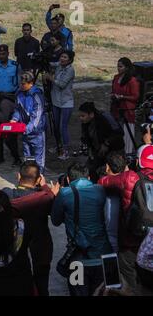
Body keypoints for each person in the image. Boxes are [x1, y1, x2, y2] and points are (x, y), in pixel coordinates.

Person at [51, 162, 113, 296]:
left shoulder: (64, 193)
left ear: (68, 179)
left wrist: (55, 198)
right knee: (110, 293)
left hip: (78, 260)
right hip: (107, 256)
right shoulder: (100, 189)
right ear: (89, 178)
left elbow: (55, 221)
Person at [98, 145, 153, 293]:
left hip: (131, 243)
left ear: (138, 162)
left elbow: (103, 182)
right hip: (150, 244)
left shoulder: (131, 178)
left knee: (129, 283)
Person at [3, 161, 55, 296]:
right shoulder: (45, 197)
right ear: (38, 179)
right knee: (42, 283)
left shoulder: (7, 196)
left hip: (16, 246)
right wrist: (45, 187)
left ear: (18, 176)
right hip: (41, 245)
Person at [78, 101, 125, 182]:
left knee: (112, 175)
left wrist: (106, 144)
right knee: (89, 172)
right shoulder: (86, 123)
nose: (81, 118)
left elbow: (119, 133)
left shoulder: (105, 118)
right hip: (99, 153)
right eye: (80, 116)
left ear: (91, 114)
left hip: (114, 151)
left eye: (83, 116)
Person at [11, 71, 47, 172]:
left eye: (23, 84)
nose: (21, 86)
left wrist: (28, 128)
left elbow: (37, 115)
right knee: (27, 156)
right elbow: (18, 109)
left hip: (37, 132)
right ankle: (29, 177)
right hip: (24, 130)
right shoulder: (19, 93)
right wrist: (14, 119)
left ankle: (40, 179)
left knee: (38, 158)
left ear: (31, 83)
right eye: (20, 83)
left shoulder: (36, 95)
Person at [44, 50, 75, 159]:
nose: (62, 59)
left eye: (65, 57)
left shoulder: (70, 70)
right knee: (56, 125)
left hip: (66, 102)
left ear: (70, 60)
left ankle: (66, 150)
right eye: (61, 56)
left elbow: (61, 84)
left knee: (63, 127)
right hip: (55, 101)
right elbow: (52, 64)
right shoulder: (59, 66)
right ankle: (58, 146)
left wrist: (50, 78)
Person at [111, 57, 140, 155]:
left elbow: (135, 97)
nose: (118, 68)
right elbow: (113, 90)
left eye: (121, 66)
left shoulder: (132, 81)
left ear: (127, 68)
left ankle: (127, 154)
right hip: (116, 109)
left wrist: (123, 97)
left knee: (127, 134)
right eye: (118, 66)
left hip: (127, 110)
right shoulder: (116, 78)